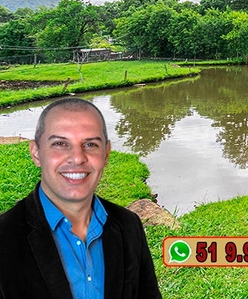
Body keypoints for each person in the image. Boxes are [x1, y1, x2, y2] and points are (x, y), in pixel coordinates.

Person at [0, 97, 162, 299]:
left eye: (91, 144)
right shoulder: (4, 237)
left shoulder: (129, 226)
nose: (77, 158)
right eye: (60, 143)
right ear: (36, 153)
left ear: (106, 153)